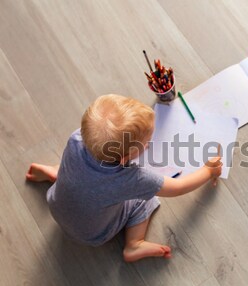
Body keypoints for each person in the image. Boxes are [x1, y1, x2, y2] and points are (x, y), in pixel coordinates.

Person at [26, 94, 222, 262]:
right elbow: (178, 187)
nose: (148, 145)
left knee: (75, 168)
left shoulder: (77, 138)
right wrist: (208, 171)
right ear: (125, 158)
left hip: (55, 205)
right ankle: (134, 245)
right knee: (146, 199)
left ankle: (55, 172)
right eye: (147, 143)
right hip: (92, 235)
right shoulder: (132, 179)